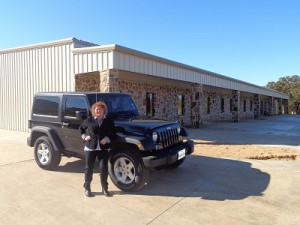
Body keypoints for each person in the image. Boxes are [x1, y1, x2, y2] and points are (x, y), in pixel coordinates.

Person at [79, 101, 115, 197]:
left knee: (104, 168)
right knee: (88, 168)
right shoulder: (89, 120)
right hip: (90, 147)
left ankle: (105, 188)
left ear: (104, 111)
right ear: (94, 111)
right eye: (96, 109)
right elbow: (81, 128)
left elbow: (113, 133)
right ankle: (87, 187)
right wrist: (85, 136)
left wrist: (107, 138)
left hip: (103, 148)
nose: (98, 110)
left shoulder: (109, 121)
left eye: (100, 109)